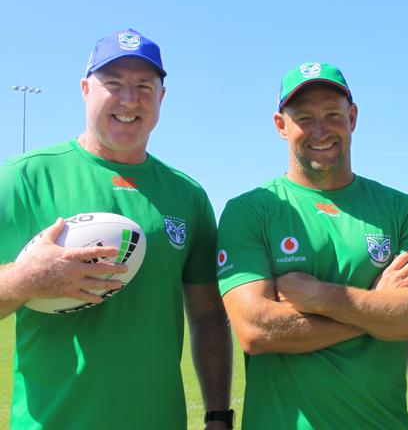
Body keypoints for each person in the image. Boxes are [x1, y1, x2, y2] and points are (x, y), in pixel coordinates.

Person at [0, 29, 233, 430]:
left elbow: (208, 318)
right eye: (113, 84)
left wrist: (217, 415)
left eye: (144, 86)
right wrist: (25, 278)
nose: (129, 100)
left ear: (161, 98)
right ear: (85, 89)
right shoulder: (25, 179)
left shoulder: (188, 196)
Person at [216, 61, 408, 429]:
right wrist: (381, 308)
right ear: (281, 126)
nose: (320, 129)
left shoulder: (400, 209)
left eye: (332, 114)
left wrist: (322, 296)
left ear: (352, 117)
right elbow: (256, 330)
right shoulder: (250, 210)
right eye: (304, 117)